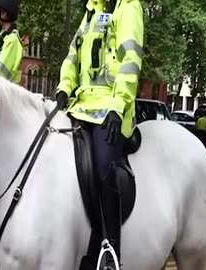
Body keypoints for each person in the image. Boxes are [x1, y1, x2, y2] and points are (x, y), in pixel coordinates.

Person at [55, 0, 144, 268]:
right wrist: (63, 88)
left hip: (112, 109)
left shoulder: (129, 7)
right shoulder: (91, 11)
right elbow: (73, 55)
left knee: (104, 165)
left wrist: (118, 106)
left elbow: (131, 60)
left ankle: (110, 250)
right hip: (80, 106)